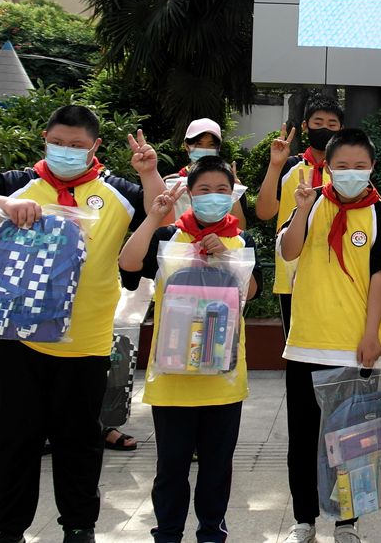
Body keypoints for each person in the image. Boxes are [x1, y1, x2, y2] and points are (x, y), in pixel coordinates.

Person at [0, 105, 166, 543]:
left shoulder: (117, 191)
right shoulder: (16, 183)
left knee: (79, 441)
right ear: (45, 139)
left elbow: (161, 215)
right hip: (16, 338)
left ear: (95, 147)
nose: (67, 151)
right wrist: (7, 205)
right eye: (59, 143)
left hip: (84, 342)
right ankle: (8, 529)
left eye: (77, 145)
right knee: (15, 439)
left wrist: (148, 173)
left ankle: (80, 526)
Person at [119, 157, 259, 543]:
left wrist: (226, 257)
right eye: (204, 190)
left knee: (217, 468)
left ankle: (212, 531)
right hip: (172, 380)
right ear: (190, 195)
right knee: (171, 468)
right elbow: (128, 264)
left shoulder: (241, 242)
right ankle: (167, 533)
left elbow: (251, 292)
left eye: (222, 190)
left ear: (232, 195)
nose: (213, 196)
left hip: (223, 381)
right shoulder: (168, 238)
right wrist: (154, 216)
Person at [278, 128, 381, 543]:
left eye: (359, 166)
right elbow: (289, 252)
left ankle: (347, 522)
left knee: (354, 440)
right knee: (302, 440)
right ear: (327, 167)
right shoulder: (310, 203)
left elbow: (380, 279)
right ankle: (304, 520)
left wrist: (371, 335)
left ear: (372, 167)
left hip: (353, 347)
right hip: (306, 343)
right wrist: (300, 211)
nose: (351, 172)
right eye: (342, 165)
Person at [255, 99, 343, 333]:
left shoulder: (347, 173)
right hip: (291, 270)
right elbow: (264, 212)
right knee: (294, 344)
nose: (324, 128)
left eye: (332, 124)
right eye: (318, 122)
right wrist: (275, 165)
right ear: (305, 126)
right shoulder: (289, 166)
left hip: (336, 270)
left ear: (341, 130)